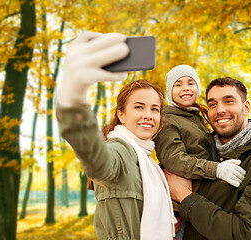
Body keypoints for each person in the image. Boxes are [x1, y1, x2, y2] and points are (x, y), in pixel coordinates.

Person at [56, 32, 176, 240]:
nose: (149, 115)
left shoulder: (147, 160)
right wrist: (73, 95)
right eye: (139, 107)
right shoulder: (120, 150)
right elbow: (96, 158)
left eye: (155, 109)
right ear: (121, 115)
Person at [164, 77, 251, 240]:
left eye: (229, 101)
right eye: (212, 104)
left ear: (246, 107)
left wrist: (185, 197)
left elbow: (246, 234)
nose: (220, 110)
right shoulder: (197, 149)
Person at [154, 65, 246, 239]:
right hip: (178, 208)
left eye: (191, 83)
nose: (185, 88)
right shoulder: (168, 120)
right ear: (169, 91)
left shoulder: (196, 116)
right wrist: (216, 169)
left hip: (200, 199)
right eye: (178, 84)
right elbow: (174, 160)